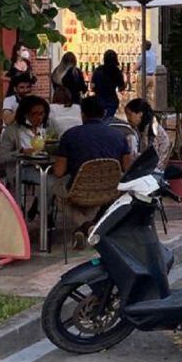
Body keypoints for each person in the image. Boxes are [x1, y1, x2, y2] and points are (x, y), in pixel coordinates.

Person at [53, 96, 133, 248]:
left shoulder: (70, 136)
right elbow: (127, 168)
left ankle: (86, 226)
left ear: (82, 114)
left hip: (78, 189)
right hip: (109, 191)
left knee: (58, 194)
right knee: (96, 200)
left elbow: (58, 171)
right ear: (103, 113)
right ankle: (90, 226)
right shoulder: (119, 136)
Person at [0, 95, 50, 194]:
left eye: (42, 114)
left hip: (43, 168)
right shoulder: (13, 131)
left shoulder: (45, 130)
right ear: (25, 114)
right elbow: (1, 157)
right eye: (35, 114)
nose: (39, 117)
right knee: (50, 182)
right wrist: (21, 152)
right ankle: (40, 209)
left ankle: (41, 207)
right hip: (21, 170)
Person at [125, 98, 172, 171]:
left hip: (155, 170)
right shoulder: (142, 129)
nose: (127, 118)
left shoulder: (151, 130)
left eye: (129, 114)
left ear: (140, 114)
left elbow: (150, 156)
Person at [91, 49, 127, 118]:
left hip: (98, 101)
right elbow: (121, 88)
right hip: (111, 101)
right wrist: (126, 82)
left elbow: (92, 86)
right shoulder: (116, 71)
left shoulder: (98, 70)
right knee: (108, 119)